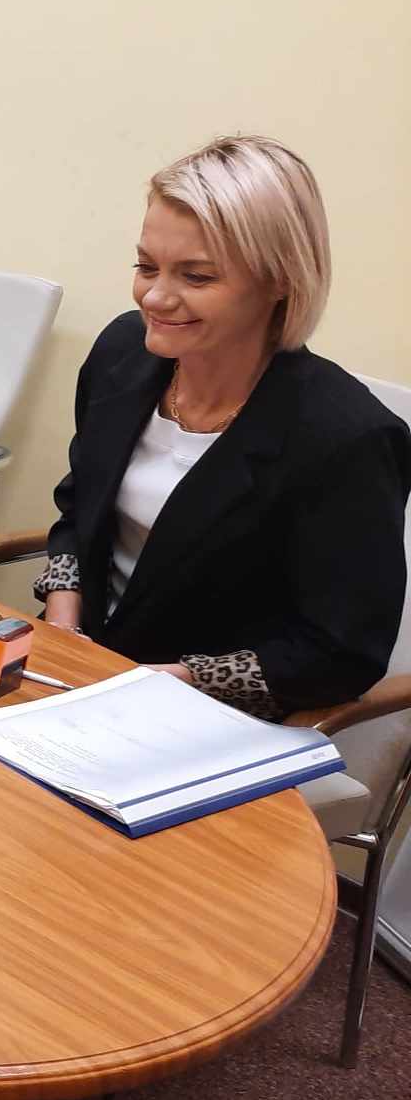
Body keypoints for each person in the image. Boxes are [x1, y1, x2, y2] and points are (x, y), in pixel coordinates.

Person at [36, 134, 409, 717]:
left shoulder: (347, 439)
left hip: (211, 713)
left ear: (280, 280)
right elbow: (79, 508)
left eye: (197, 277)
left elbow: (340, 653)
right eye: (146, 267)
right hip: (81, 673)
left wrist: (173, 679)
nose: (156, 298)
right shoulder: (121, 353)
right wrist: (63, 625)